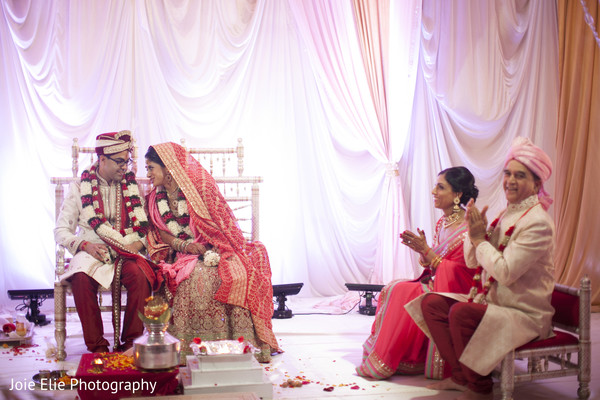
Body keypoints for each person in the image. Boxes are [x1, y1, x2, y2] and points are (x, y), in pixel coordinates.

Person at [409, 137, 555, 400]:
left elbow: (506, 272)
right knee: (431, 303)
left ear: (536, 184)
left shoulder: (538, 223)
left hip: (523, 311)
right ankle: (460, 376)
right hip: (495, 302)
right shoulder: (506, 214)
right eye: (507, 173)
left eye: (519, 176)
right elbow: (474, 262)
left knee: (461, 313)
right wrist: (476, 234)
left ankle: (480, 388)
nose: (510, 180)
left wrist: (477, 239)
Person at [144, 142, 280, 362]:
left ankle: (235, 345)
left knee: (231, 275)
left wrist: (211, 247)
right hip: (180, 254)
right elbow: (160, 234)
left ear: (168, 168)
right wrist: (184, 246)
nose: (147, 174)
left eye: (151, 168)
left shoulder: (198, 189)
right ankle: (187, 348)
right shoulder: (153, 199)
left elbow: (220, 224)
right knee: (190, 279)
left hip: (214, 247)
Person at [356, 167, 480, 379]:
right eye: (435, 186)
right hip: (439, 282)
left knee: (402, 290)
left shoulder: (469, 227)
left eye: (440, 187)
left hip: (458, 289)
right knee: (394, 287)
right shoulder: (443, 222)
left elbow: (465, 272)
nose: (433, 191)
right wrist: (424, 254)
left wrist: (428, 253)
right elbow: (437, 264)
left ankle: (405, 357)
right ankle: (401, 355)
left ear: (457, 194)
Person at [54, 131, 160, 353]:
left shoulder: (131, 187)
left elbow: (144, 226)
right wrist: (85, 246)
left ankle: (131, 345)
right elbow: (61, 231)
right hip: (92, 251)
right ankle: (98, 348)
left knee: (141, 277)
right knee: (81, 279)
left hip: (125, 249)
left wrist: (136, 246)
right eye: (120, 161)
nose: (125, 167)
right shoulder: (78, 187)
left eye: (127, 161)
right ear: (102, 160)